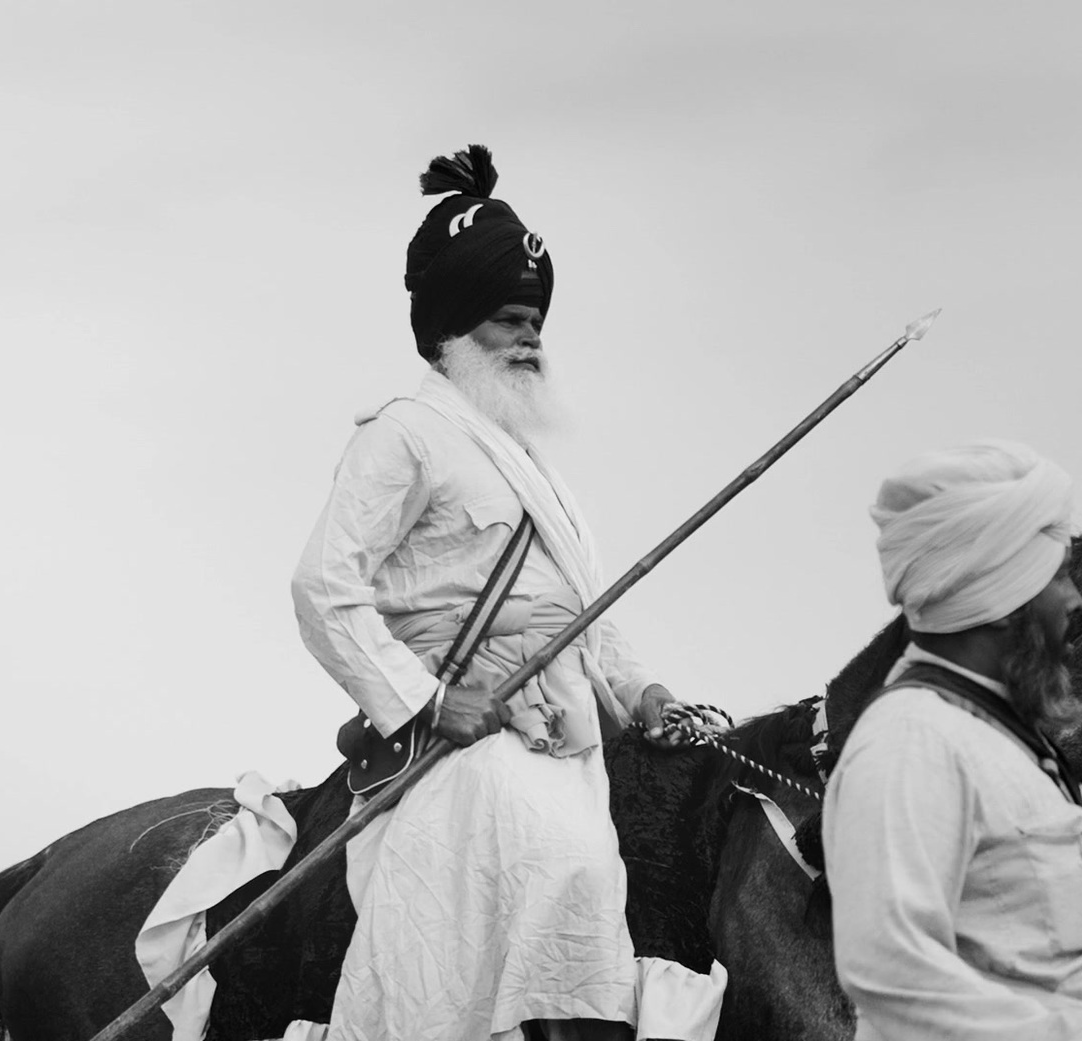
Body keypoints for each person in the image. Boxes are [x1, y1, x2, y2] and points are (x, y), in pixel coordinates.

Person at [291, 145, 723, 1041]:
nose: (531, 339)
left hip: (576, 735)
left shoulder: (537, 470)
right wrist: (428, 703)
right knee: (564, 861)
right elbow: (324, 588)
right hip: (465, 748)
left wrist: (642, 691)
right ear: (454, 331)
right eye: (507, 322)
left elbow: (583, 620)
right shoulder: (404, 436)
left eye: (535, 321)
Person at [822, 441, 1082, 1040]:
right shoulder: (913, 743)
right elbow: (894, 978)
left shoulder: (995, 738)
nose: (1073, 601)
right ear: (999, 599)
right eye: (1058, 575)